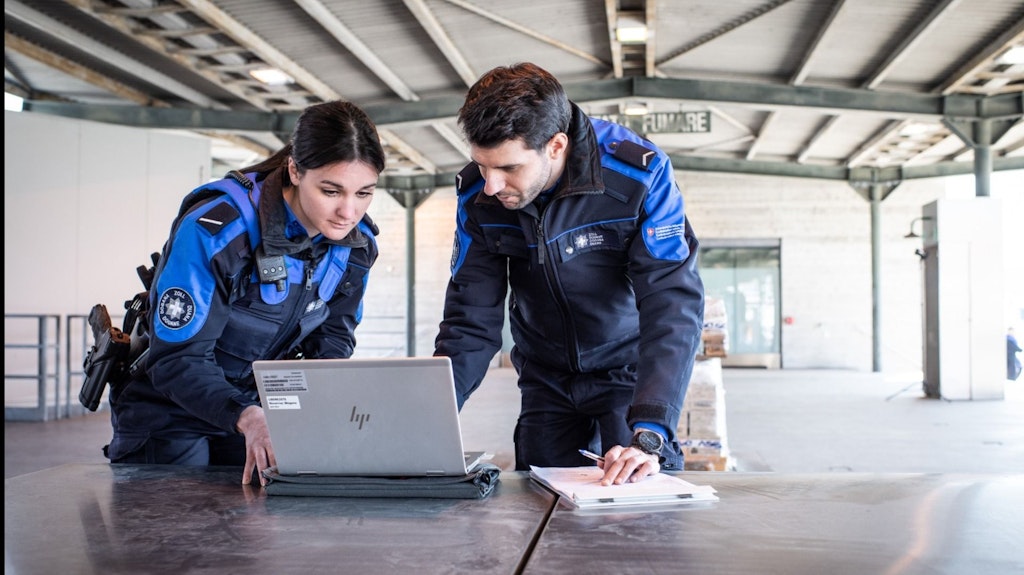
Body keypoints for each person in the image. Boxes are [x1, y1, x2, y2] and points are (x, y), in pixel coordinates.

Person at [434, 63, 705, 486]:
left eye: (508, 168)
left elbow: (671, 302)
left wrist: (652, 430)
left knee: (642, 506)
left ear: (556, 146)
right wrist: (427, 420)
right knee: (539, 509)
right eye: (482, 165)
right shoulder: (477, 195)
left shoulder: (638, 175)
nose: (490, 185)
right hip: (545, 377)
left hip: (627, 373)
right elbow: (471, 318)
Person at [105, 100, 386, 485]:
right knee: (171, 535)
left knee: (256, 530)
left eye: (364, 193)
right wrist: (248, 414)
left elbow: (334, 337)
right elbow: (176, 358)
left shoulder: (354, 247)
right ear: (294, 170)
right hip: (169, 412)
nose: (348, 212)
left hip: (257, 412)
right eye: (331, 191)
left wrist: (318, 407)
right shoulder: (217, 232)